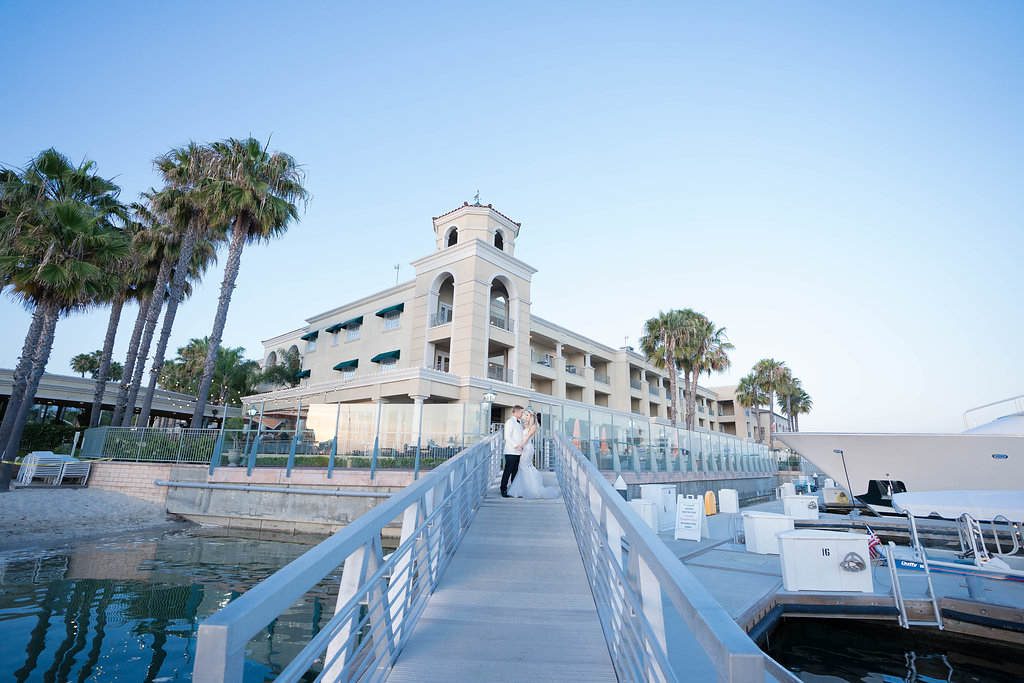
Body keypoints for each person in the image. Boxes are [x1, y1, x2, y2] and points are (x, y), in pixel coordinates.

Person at [507, 410, 560, 499]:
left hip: (527, 448)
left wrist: (521, 446)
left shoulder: (534, 426)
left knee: (525, 466)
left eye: (527, 415)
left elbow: (527, 437)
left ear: (531, 417)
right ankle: (521, 489)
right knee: (522, 467)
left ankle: (531, 489)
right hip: (523, 448)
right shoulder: (525, 425)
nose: (526, 417)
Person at [500, 405, 524, 498]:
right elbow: (507, 437)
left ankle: (514, 490)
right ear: (516, 412)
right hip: (511, 451)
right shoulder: (510, 422)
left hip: (518, 452)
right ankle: (503, 489)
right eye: (521, 412)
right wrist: (516, 446)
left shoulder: (518, 423)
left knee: (515, 472)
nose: (522, 414)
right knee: (508, 471)